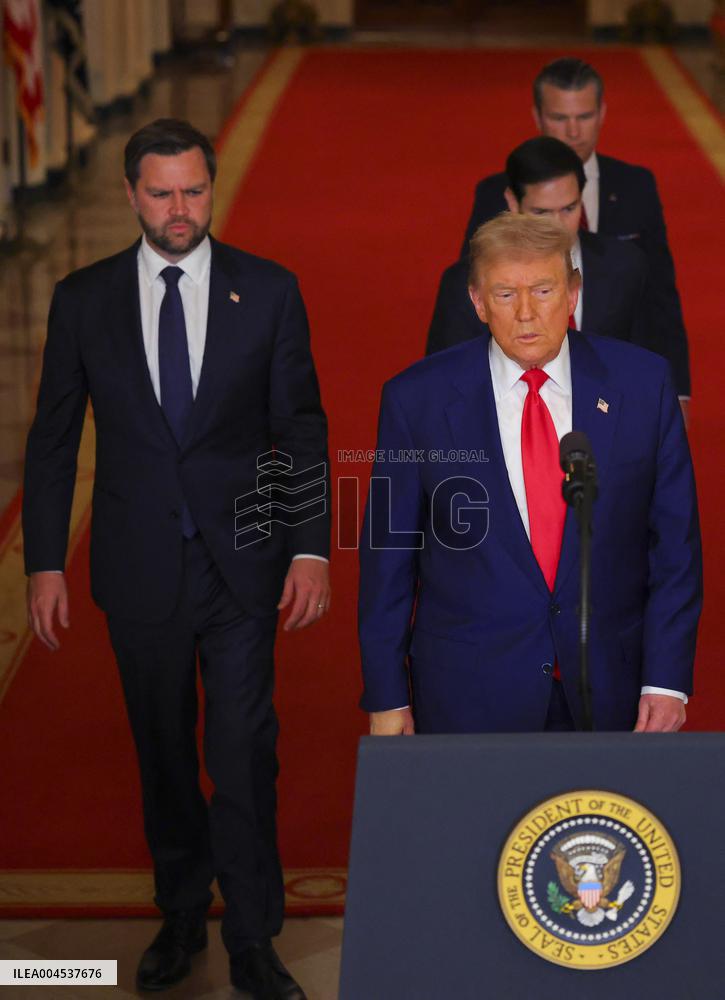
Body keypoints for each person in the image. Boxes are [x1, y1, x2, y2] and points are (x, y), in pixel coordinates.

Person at [23, 118, 330, 1000]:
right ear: (129, 194)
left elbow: (298, 428)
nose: (180, 209)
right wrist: (44, 563)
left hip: (242, 562)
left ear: (211, 186)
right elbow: (51, 443)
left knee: (241, 750)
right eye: (161, 193)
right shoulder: (83, 299)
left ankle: (253, 935)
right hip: (140, 562)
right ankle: (181, 911)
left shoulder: (267, 291)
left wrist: (310, 544)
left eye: (194, 190)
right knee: (161, 750)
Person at [359, 213, 701, 737]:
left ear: (573, 292)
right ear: (476, 301)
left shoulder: (643, 383)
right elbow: (388, 558)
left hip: (613, 690)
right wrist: (386, 694)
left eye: (543, 290)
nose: (525, 314)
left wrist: (665, 681)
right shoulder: (414, 400)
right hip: (469, 695)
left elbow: (675, 547)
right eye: (503, 295)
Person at [458, 57, 691, 408]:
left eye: (583, 117)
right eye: (560, 118)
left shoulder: (636, 186)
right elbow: (471, 299)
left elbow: (660, 298)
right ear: (537, 117)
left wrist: (678, 391)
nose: (573, 132)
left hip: (613, 389)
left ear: (602, 114)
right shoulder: (495, 193)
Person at [427, 136, 647, 356]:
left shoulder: (625, 265)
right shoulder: (463, 281)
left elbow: (643, 362)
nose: (558, 226)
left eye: (569, 209)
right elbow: (443, 377)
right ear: (513, 203)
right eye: (541, 212)